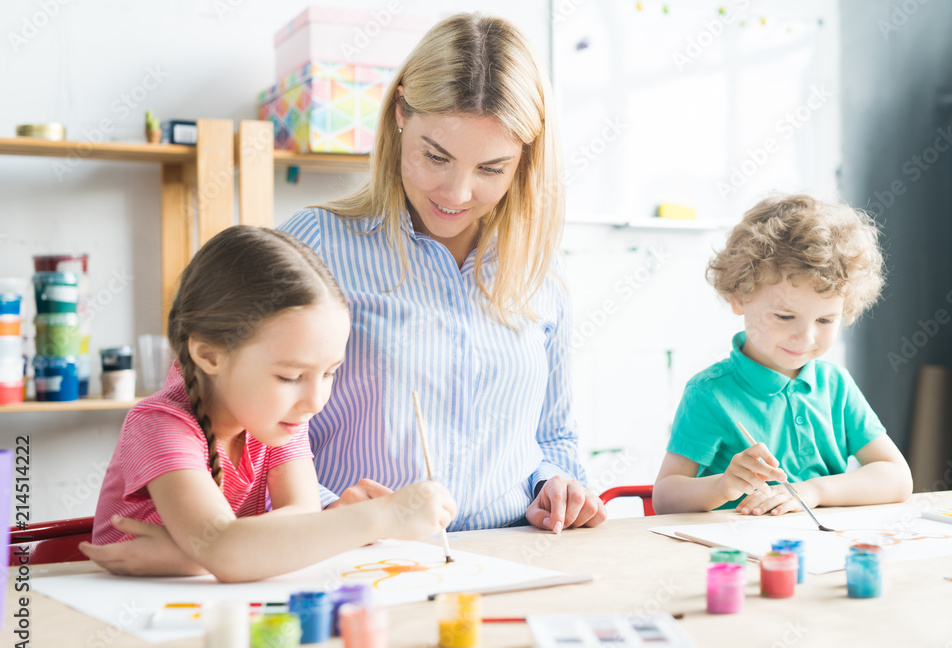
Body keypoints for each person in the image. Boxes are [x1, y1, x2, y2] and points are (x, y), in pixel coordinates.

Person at [279, 13, 606, 532]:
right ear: (400, 112)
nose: (456, 194)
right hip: (360, 557)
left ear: (525, 158)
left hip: (513, 555)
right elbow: (244, 432)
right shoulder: (312, 245)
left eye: (491, 169)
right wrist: (326, 511)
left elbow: (554, 437)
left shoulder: (540, 265)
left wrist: (556, 485)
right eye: (436, 157)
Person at [80, 226, 456, 582]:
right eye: (291, 377)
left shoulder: (280, 418)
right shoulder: (159, 426)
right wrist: (382, 518)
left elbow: (299, 519)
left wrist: (187, 558)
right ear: (209, 355)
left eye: (329, 373)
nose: (315, 400)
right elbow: (225, 549)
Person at [651, 194, 913, 515]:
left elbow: (897, 477)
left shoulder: (835, 385)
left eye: (825, 320)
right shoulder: (709, 393)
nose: (805, 337)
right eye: (784, 317)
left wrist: (813, 490)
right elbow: (665, 496)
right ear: (739, 297)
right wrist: (723, 486)